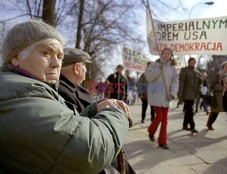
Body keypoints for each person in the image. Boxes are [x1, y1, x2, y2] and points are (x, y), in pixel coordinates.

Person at [0, 20, 131, 174]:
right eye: (46, 53)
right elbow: (87, 151)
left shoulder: (32, 88)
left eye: (60, 56)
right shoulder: (20, 92)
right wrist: (117, 112)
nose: (56, 63)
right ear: (16, 56)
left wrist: (93, 110)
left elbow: (65, 131)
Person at [58, 47, 136, 174]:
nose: (86, 69)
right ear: (77, 68)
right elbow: (81, 137)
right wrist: (116, 116)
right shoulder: (63, 92)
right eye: (85, 66)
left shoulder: (70, 89)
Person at [145, 48, 179, 149]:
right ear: (162, 54)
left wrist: (172, 94)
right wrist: (159, 69)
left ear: (171, 55)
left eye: (168, 54)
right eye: (165, 53)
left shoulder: (173, 68)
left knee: (165, 120)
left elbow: (175, 82)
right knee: (159, 117)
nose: (166, 55)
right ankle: (151, 131)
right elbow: (149, 77)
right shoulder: (154, 64)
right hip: (156, 94)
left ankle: (162, 141)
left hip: (167, 96)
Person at [58, 47, 93, 113]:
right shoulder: (64, 93)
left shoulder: (67, 88)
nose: (86, 70)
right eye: (84, 65)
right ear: (76, 68)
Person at [178, 57, 202, 133]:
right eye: (191, 61)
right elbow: (181, 84)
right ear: (188, 62)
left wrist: (199, 92)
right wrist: (180, 95)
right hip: (187, 94)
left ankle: (185, 125)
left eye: (194, 62)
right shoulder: (185, 71)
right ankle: (192, 127)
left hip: (194, 95)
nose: (193, 63)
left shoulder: (197, 72)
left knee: (188, 111)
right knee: (190, 111)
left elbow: (200, 83)